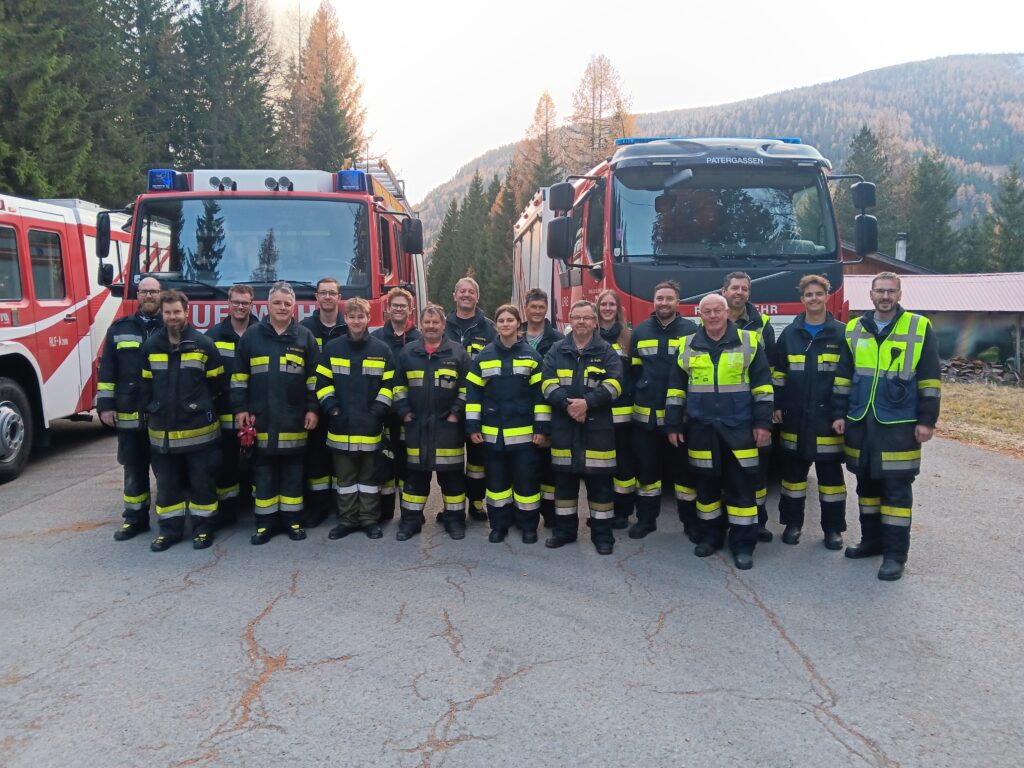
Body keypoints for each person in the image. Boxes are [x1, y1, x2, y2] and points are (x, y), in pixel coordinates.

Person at [831, 272, 941, 581]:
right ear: (871, 294)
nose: (885, 296)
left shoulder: (919, 327)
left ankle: (895, 555)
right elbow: (843, 375)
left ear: (899, 293)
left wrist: (927, 420)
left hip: (900, 423)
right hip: (860, 420)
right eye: (880, 291)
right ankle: (871, 541)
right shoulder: (854, 328)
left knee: (896, 490)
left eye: (891, 291)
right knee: (866, 485)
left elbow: (931, 379)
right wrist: (839, 413)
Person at [666, 293, 773, 570]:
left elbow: (763, 386)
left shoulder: (749, 342)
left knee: (742, 491)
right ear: (699, 315)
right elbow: (676, 390)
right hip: (701, 429)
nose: (713, 316)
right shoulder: (687, 344)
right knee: (707, 489)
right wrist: (674, 424)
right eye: (707, 311)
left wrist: (763, 424)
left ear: (727, 313)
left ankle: (743, 545)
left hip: (739, 428)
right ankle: (710, 537)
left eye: (717, 311)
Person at [232, 281, 320, 545]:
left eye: (287, 304)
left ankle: (293, 521)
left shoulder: (305, 337)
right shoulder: (251, 336)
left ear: (294, 307)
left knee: (293, 472)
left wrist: (313, 409)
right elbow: (238, 378)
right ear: (267, 305)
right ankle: (265, 524)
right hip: (260, 419)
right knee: (263, 473)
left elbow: (315, 380)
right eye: (277, 303)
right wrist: (240, 409)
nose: (282, 307)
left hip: (294, 419)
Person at [139, 290, 225, 551]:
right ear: (162, 314)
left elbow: (218, 385)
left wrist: (202, 408)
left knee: (202, 484)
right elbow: (145, 385)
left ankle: (203, 529)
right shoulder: (151, 346)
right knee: (167, 486)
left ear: (186, 313)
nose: (172, 317)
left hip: (199, 432)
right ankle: (169, 531)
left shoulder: (203, 344)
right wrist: (150, 408)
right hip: (162, 433)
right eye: (168, 312)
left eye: (177, 312)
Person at [542, 300, 623, 555]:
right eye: (577, 317)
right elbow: (547, 384)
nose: (581, 322)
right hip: (565, 428)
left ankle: (603, 536)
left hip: (597, 430)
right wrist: (569, 406)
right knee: (564, 486)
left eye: (587, 318)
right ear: (570, 320)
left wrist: (587, 403)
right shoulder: (557, 350)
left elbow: (616, 384)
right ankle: (565, 532)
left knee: (601, 488)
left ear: (594, 321)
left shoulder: (607, 351)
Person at [772, 275, 848, 549]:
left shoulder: (841, 333)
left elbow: (846, 378)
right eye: (808, 295)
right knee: (792, 479)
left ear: (826, 296)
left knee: (831, 482)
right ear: (801, 299)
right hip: (794, 418)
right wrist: (777, 406)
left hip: (828, 421)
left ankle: (833, 530)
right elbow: (779, 374)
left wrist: (841, 414)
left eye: (818, 294)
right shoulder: (790, 334)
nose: (813, 298)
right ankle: (792, 525)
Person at [466, 304, 548, 543]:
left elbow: (540, 397)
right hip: (493, 436)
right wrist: (473, 427)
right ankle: (499, 525)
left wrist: (541, 428)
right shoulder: (484, 356)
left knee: (526, 484)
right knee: (497, 484)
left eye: (509, 320)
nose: (505, 324)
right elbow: (473, 395)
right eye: (501, 320)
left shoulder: (532, 357)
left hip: (525, 437)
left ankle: (528, 526)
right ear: (497, 325)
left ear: (517, 324)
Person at [316, 298, 395, 540]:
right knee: (346, 479)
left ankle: (369, 520)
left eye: (361, 317)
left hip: (370, 426)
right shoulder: (332, 348)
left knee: (369, 479)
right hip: (340, 426)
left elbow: (389, 386)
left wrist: (376, 413)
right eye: (352, 317)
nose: (356, 321)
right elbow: (322, 384)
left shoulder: (382, 350)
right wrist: (333, 410)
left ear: (368, 318)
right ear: (346, 318)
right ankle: (348, 520)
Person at [394, 304, 472, 541]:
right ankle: (410, 521)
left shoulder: (457, 353)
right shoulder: (408, 353)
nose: (430, 326)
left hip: (449, 426)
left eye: (435, 322)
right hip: (416, 425)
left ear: (443, 325)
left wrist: (456, 413)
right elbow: (397, 387)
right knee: (415, 478)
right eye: (427, 322)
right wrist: (405, 412)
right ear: (421, 324)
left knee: (452, 479)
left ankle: (455, 519)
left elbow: (468, 388)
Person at [628, 281, 700, 540]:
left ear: (678, 303)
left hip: (679, 419)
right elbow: (635, 370)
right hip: (645, 420)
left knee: (684, 476)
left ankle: (690, 523)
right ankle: (646, 521)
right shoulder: (640, 331)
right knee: (647, 474)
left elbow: (696, 375)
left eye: (669, 298)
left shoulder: (692, 331)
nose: (664, 303)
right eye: (660, 298)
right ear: (654, 301)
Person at [98, 275, 164, 541]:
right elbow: (108, 369)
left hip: (161, 415)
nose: (149, 297)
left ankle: (169, 519)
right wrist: (104, 405)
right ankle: (135, 519)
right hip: (128, 413)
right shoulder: (119, 328)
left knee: (166, 470)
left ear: (161, 295)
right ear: (138, 295)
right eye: (145, 292)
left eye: (154, 292)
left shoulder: (172, 327)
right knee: (133, 467)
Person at [722, 271, 777, 542]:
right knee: (725, 471)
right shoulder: (710, 321)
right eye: (734, 288)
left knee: (756, 470)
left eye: (744, 289)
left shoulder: (761, 324)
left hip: (752, 409)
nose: (739, 293)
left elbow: (772, 369)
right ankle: (726, 522)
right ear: (724, 291)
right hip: (722, 412)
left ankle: (760, 521)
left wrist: (767, 413)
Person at [205, 284, 258, 526]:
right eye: (236, 302)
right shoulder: (213, 336)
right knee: (226, 464)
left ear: (252, 305)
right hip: (225, 413)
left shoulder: (262, 333)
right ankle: (228, 510)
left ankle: (259, 508)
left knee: (259, 462)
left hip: (256, 412)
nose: (240, 307)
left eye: (244, 303)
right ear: (228, 303)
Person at [445, 276, 496, 522]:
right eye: (462, 291)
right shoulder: (442, 325)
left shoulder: (490, 328)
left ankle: (476, 502)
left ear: (477, 297)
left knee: (478, 460)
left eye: (471, 292)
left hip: (480, 404)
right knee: (451, 459)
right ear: (454, 296)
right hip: (448, 405)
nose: (466, 295)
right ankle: (450, 507)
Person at [299, 277, 349, 528]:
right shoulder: (304, 329)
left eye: (332, 293)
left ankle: (343, 508)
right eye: (323, 293)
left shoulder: (349, 326)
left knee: (343, 458)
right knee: (317, 459)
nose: (328, 297)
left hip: (344, 404)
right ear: (316, 298)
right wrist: (312, 406)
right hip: (316, 405)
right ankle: (318, 508)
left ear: (339, 297)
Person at [371, 287, 421, 521]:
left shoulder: (419, 338)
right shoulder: (377, 338)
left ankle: (412, 513)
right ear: (388, 309)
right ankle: (386, 511)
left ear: (410, 310)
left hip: (410, 412)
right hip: (384, 410)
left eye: (403, 306)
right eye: (395, 306)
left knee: (408, 463)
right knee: (385, 461)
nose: (399, 309)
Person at [521, 288, 564, 528]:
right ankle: (525, 514)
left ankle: (549, 514)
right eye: (533, 307)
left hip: (548, 409)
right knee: (525, 465)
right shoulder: (516, 336)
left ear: (546, 309)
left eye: (541, 307)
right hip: (520, 410)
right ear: (525, 309)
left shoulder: (557, 339)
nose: (537, 312)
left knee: (548, 467)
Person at [595, 289, 637, 530]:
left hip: (623, 414)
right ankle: (603, 510)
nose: (608, 308)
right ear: (597, 308)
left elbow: (634, 374)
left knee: (624, 465)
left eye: (612, 305)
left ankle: (622, 511)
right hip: (598, 412)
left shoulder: (628, 337)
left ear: (618, 309)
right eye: (604, 304)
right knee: (601, 466)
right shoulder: (590, 336)